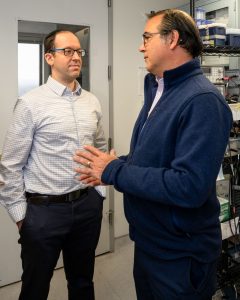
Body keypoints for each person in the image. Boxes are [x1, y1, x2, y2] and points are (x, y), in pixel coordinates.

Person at [73, 9, 233, 300]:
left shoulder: (202, 101)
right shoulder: (158, 89)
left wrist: (115, 171)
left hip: (181, 254)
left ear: (172, 39)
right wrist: (110, 166)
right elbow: (152, 159)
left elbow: (189, 186)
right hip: (149, 243)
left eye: (146, 37)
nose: (140, 46)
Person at [0, 29, 106, 300]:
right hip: (43, 212)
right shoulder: (30, 103)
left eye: (78, 51)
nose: (76, 57)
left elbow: (100, 148)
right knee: (35, 288)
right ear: (49, 57)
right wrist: (22, 216)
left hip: (86, 207)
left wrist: (99, 191)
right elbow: (10, 165)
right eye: (67, 51)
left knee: (83, 282)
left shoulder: (92, 101)